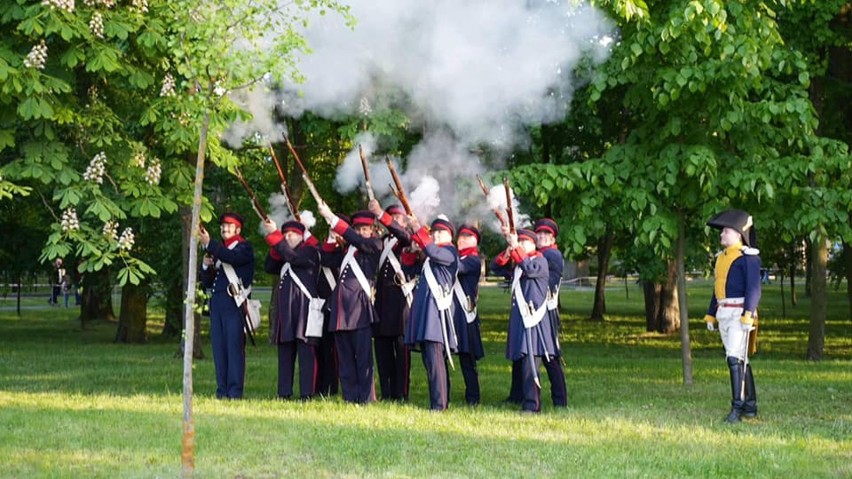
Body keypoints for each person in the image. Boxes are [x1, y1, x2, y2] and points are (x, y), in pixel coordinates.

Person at [317, 205, 381, 404]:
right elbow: (327, 259)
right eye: (358, 228)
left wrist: (332, 217)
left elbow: (358, 241)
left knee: (363, 357)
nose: (362, 232)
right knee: (345, 357)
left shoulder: (374, 245)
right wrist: (330, 235)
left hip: (359, 308)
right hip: (341, 310)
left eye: (365, 229)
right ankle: (350, 396)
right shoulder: (347, 250)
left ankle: (366, 397)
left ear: (371, 230)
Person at [704, 209, 761, 423]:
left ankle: (737, 407)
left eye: (725, 231)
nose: (721, 235)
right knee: (740, 359)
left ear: (738, 234)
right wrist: (711, 314)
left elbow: (753, 289)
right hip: (725, 312)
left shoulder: (748, 258)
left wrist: (748, 314)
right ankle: (750, 405)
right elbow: (717, 287)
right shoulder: (722, 258)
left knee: (735, 360)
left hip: (739, 313)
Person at [491, 227, 554, 413]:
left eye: (523, 242)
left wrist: (515, 247)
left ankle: (532, 405)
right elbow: (496, 266)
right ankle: (521, 398)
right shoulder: (519, 263)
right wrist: (509, 250)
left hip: (533, 321)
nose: (520, 245)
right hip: (521, 321)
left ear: (533, 244)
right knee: (521, 362)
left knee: (530, 365)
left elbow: (530, 269)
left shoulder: (540, 261)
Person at [403, 217, 459, 411]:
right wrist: (411, 250)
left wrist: (419, 230)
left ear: (450, 235)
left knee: (435, 361)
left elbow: (433, 252)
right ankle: (441, 399)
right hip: (426, 313)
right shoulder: (430, 256)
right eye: (433, 232)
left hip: (437, 314)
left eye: (440, 232)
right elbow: (409, 267)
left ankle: (439, 404)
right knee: (430, 361)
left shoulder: (450, 252)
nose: (435, 235)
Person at [262, 218, 321, 400]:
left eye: (292, 234)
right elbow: (269, 266)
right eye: (285, 234)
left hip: (305, 310)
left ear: (301, 235)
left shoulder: (310, 251)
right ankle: (284, 392)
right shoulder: (283, 254)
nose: (288, 237)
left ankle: (307, 393)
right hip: (286, 312)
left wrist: (275, 236)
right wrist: (275, 243)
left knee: (306, 354)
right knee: (285, 353)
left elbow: (294, 258)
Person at [199, 212, 255, 400]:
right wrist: (206, 266)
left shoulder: (243, 248)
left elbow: (233, 258)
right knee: (219, 349)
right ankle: (222, 390)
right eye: (223, 226)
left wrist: (209, 244)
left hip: (234, 304)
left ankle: (234, 391)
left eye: (229, 226)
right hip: (218, 305)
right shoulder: (219, 251)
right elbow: (207, 282)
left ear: (238, 229)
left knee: (234, 348)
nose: (224, 228)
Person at [368, 200, 414, 402]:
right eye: (391, 217)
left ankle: (401, 392)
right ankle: (386, 391)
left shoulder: (406, 238)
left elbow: (404, 235)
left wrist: (381, 214)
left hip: (400, 300)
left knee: (402, 350)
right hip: (382, 302)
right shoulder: (381, 241)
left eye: (397, 218)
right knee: (383, 349)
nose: (394, 221)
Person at [534, 218, 568, 407]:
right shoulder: (537, 254)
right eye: (539, 234)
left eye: (546, 234)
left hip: (545, 311)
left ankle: (560, 399)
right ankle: (518, 394)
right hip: (534, 310)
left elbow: (547, 284)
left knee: (549, 356)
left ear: (552, 237)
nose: (542, 237)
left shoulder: (552, 255)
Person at [452, 224, 485, 406]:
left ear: (475, 241)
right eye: (460, 236)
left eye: (467, 237)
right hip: (452, 313)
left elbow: (458, 268)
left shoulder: (473, 260)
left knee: (467, 359)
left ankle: (473, 397)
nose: (462, 239)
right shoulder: (458, 256)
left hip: (465, 315)